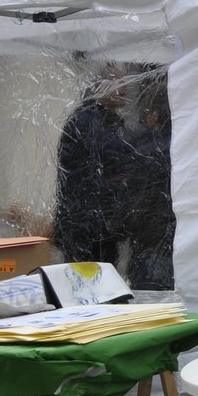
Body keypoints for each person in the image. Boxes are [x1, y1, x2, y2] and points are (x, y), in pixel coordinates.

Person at [51, 65, 131, 264]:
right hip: (85, 224)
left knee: (104, 277)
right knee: (85, 278)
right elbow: (82, 172)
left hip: (102, 222)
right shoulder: (85, 120)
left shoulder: (110, 121)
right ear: (99, 87)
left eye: (124, 82)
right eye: (117, 82)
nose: (124, 88)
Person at [121, 71, 175, 291]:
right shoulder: (182, 148)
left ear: (154, 116)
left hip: (148, 235)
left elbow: (138, 197)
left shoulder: (145, 152)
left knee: (148, 290)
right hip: (171, 233)